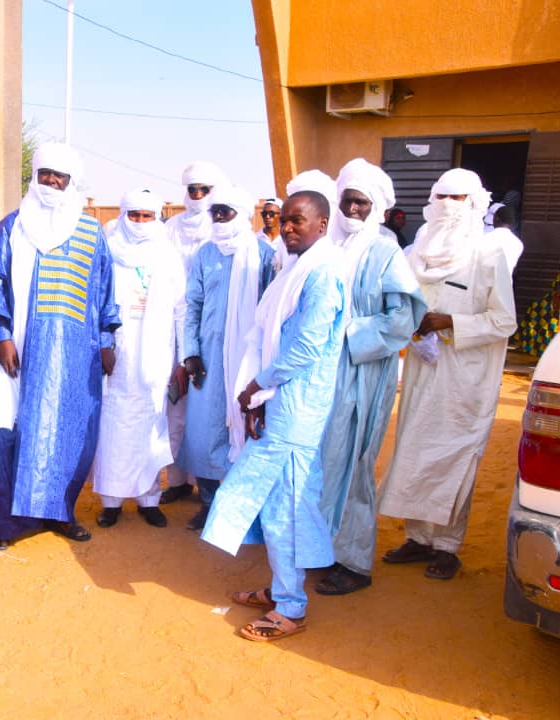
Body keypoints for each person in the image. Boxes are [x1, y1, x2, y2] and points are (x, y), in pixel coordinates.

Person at [202, 190, 346, 642]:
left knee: (287, 504)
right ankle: (284, 590)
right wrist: (261, 397)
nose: (286, 228)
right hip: (280, 404)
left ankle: (290, 608)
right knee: (275, 501)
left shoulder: (323, 274)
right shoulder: (296, 268)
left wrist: (258, 386)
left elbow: (304, 346)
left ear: (322, 224)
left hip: (297, 408)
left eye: (297, 221)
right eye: (283, 220)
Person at [0, 142, 120, 548]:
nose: (52, 181)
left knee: (69, 435)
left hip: (75, 357)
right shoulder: (12, 227)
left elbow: (104, 291)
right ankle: (5, 525)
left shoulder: (90, 231)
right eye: (45, 174)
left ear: (72, 182)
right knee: (5, 433)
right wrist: (1, 336)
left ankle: (60, 512)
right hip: (18, 353)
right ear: (34, 177)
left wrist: (107, 340)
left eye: (61, 176)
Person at [378, 169, 516, 581]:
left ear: (475, 203)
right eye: (442, 197)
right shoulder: (415, 251)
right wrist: (414, 322)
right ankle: (418, 538)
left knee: (456, 460)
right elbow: (401, 304)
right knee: (416, 452)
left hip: (465, 379)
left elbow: (504, 321)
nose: (448, 207)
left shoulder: (489, 254)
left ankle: (448, 546)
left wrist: (450, 321)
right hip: (424, 369)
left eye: (458, 199)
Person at [313, 159, 425, 596]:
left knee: (354, 464)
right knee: (321, 462)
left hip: (363, 373)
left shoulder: (385, 252)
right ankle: (320, 548)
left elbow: (404, 318)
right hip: (320, 373)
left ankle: (354, 561)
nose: (353, 209)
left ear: (376, 206)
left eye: (362, 202)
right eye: (348, 200)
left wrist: (350, 334)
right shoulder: (327, 245)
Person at [176, 185, 276, 531]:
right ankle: (208, 503)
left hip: (248, 358)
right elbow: (192, 305)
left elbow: (269, 309)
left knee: (246, 430)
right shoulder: (205, 254)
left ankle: (239, 506)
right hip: (207, 357)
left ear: (242, 214)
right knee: (203, 433)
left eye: (225, 211)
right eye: (214, 211)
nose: (217, 217)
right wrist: (189, 353)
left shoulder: (263, 255)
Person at [92, 189, 186, 529]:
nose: (141, 222)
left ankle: (149, 500)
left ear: (156, 217)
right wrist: (103, 344)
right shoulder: (107, 251)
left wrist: (183, 358)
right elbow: (97, 301)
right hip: (117, 354)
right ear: (123, 214)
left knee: (151, 424)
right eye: (135, 215)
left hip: (157, 355)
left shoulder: (167, 255)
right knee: (113, 426)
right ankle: (111, 501)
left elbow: (181, 309)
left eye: (148, 216)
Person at [159, 160, 230, 506]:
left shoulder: (222, 229)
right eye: (193, 189)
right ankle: (176, 479)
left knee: (203, 409)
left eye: (205, 190)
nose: (198, 196)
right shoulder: (170, 227)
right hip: (172, 323)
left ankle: (204, 480)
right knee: (174, 403)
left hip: (210, 328)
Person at [484, 203, 523, 273]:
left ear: (495, 218)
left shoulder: (484, 239)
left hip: (484, 282)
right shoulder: (518, 244)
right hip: (505, 282)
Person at [256, 197, 283, 270]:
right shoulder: (255, 240)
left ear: (281, 215)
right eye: (264, 214)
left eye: (271, 214)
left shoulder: (286, 240)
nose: (267, 217)